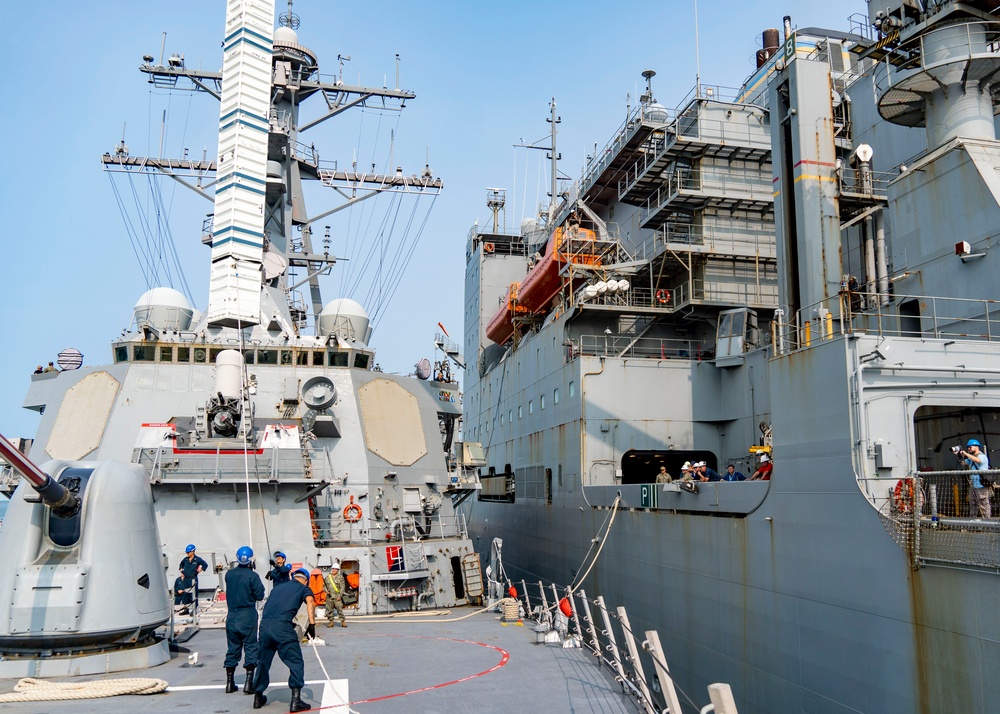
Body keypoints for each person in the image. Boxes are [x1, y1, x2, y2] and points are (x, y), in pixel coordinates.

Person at [252, 568, 317, 712]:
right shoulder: (303, 588)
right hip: (282, 628)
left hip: (264, 627)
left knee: (263, 661)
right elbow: (310, 601)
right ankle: (296, 701)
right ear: (306, 580)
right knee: (295, 662)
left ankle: (258, 697)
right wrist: (312, 625)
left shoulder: (278, 588)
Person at [224, 546, 266, 695]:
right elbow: (260, 595)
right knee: (250, 647)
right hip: (247, 614)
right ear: (251, 560)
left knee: (233, 648)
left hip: (232, 616)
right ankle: (249, 683)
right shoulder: (252, 576)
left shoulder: (229, 575)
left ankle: (229, 683)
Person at [960, 439, 991, 518]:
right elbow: (963, 463)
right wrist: (959, 455)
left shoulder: (982, 456)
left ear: (977, 447)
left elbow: (977, 460)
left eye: (970, 447)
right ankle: (973, 523)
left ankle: (987, 522)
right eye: (968, 448)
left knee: (983, 504)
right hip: (973, 485)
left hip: (981, 485)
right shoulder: (971, 458)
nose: (969, 449)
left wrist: (966, 454)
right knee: (973, 504)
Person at [324, 561, 347, 628]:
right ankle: (331, 622)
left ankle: (343, 622)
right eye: (333, 568)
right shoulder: (327, 578)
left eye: (335, 569)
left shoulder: (340, 578)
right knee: (329, 609)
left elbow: (342, 587)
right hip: (329, 597)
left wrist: (340, 596)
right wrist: (326, 590)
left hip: (337, 596)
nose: (334, 570)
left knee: (339, 609)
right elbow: (324, 585)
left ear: (338, 570)